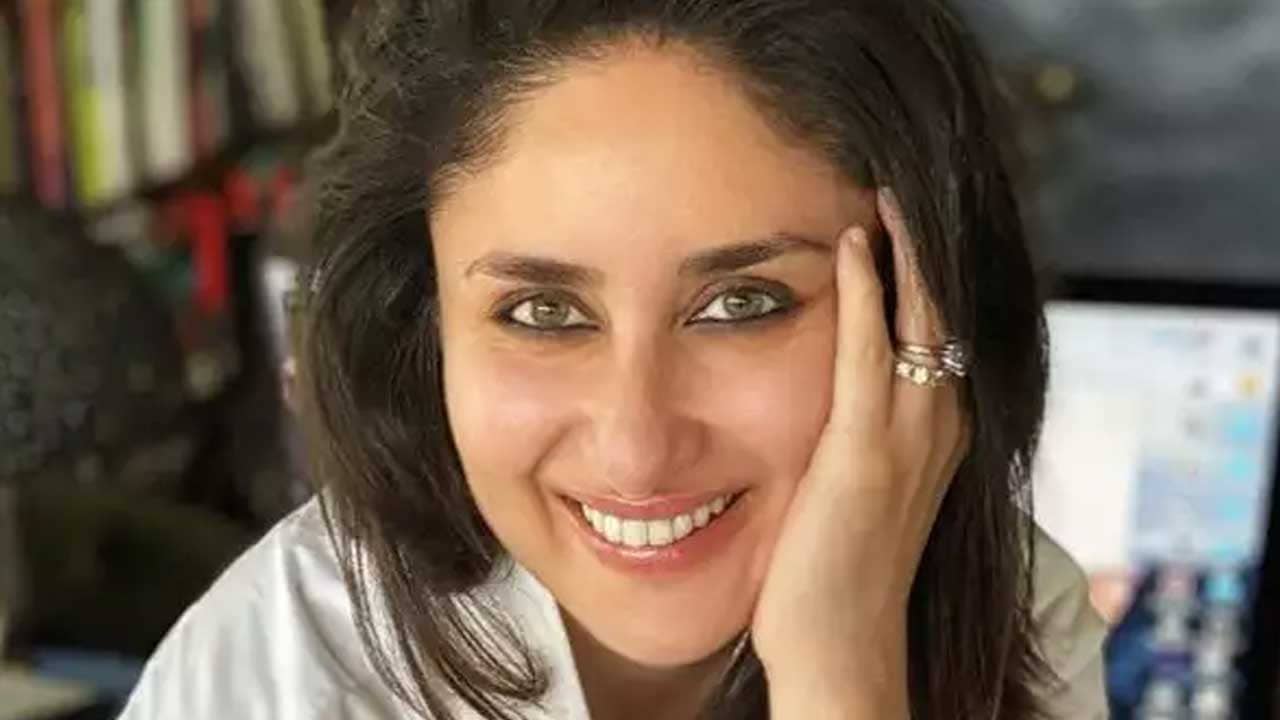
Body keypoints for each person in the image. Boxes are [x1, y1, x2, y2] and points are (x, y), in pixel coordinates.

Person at [119, 1, 1109, 718]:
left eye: (742, 304)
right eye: (543, 313)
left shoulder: (1015, 614)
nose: (636, 447)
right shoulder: (285, 672)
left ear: (915, 315)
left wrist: (842, 670)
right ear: (426, 330)